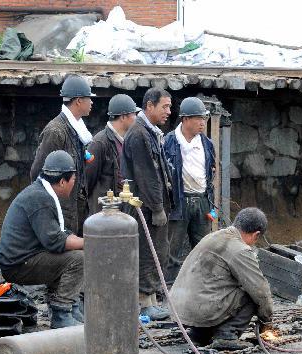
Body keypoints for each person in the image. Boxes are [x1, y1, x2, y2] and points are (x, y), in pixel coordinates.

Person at [0, 150, 84, 329]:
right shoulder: (40, 198)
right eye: (73, 180)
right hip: (18, 264)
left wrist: (82, 241)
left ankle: (70, 308)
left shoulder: (41, 192)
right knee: (79, 259)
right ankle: (61, 312)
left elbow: (61, 233)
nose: (74, 184)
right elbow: (55, 241)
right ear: (62, 181)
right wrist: (92, 243)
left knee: (72, 254)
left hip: (27, 258)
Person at [170, 207, 274, 351]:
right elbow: (260, 291)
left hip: (179, 309)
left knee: (219, 288)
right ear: (256, 235)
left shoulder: (212, 236)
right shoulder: (240, 250)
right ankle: (227, 335)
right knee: (253, 295)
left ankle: (199, 334)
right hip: (202, 311)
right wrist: (266, 321)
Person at [121, 88, 176, 321]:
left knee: (158, 251)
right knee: (147, 251)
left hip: (152, 204)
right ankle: (144, 302)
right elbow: (147, 175)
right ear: (149, 106)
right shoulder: (139, 134)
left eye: (169, 107)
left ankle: (151, 298)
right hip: (144, 207)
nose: (168, 112)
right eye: (164, 106)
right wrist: (157, 207)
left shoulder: (151, 132)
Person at [31, 75, 94, 236]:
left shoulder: (77, 131)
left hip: (76, 209)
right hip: (61, 211)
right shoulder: (56, 131)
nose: (92, 102)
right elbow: (38, 173)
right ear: (78, 100)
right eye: (89, 98)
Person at [162, 96, 217, 283]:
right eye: (198, 118)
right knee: (172, 248)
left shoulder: (206, 144)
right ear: (185, 120)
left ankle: (201, 284)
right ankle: (168, 288)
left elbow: (210, 175)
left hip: (201, 200)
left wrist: (210, 204)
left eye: (204, 118)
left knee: (204, 247)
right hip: (179, 200)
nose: (202, 123)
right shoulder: (169, 142)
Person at [83, 94, 140, 214]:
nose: (136, 118)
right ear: (123, 117)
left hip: (123, 207)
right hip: (105, 210)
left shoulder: (128, 140)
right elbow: (88, 180)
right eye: (134, 114)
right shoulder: (100, 142)